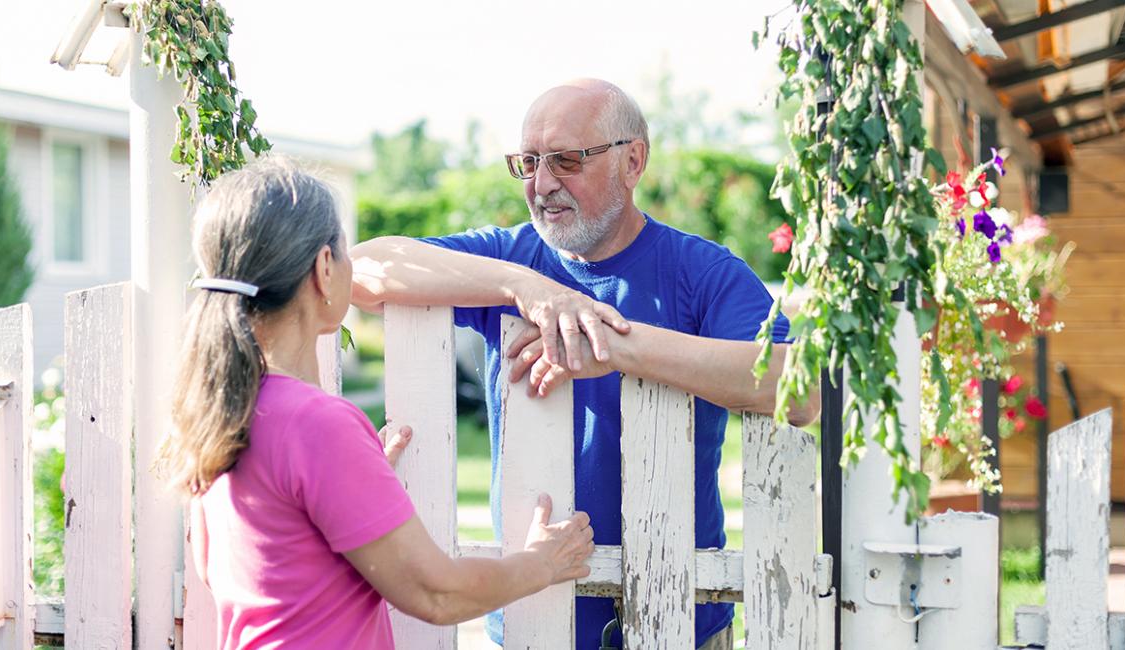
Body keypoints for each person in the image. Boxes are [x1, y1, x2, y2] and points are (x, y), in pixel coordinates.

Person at [351, 79, 819, 649]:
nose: (542, 184)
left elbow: (800, 391)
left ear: (633, 160)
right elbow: (363, 268)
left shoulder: (702, 270)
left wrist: (615, 347)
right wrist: (522, 286)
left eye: (566, 160)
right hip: (531, 620)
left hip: (680, 618)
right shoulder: (507, 258)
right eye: (528, 162)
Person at [155, 158, 595, 650]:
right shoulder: (316, 426)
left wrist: (352, 481)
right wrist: (543, 562)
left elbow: (262, 565)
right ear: (324, 269)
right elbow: (437, 593)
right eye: (344, 250)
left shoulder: (219, 412)